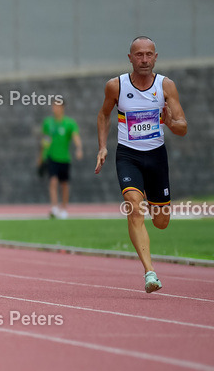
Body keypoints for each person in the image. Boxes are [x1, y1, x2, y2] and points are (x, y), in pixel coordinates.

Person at [96, 36, 188, 293]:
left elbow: (183, 127)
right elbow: (103, 114)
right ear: (130, 58)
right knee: (134, 208)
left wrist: (170, 123)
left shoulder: (166, 86)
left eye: (149, 54)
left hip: (156, 157)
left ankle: (151, 204)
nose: (144, 59)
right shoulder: (116, 86)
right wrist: (103, 147)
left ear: (156, 57)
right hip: (128, 156)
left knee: (161, 222)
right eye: (139, 55)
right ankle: (150, 272)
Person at [39, 99, 83, 219]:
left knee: (64, 184)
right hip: (52, 157)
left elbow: (75, 136)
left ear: (62, 108)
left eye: (57, 106)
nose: (55, 108)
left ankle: (63, 208)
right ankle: (54, 207)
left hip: (64, 158)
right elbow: (45, 140)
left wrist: (79, 148)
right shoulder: (48, 123)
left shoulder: (69, 123)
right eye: (53, 106)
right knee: (53, 182)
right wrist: (41, 156)